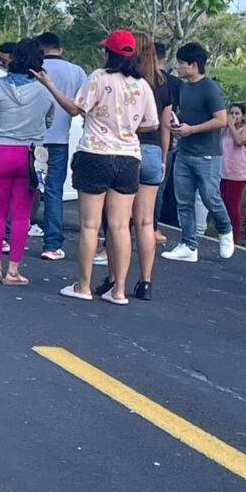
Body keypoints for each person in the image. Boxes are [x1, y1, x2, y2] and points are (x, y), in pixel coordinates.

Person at [33, 30, 158, 305]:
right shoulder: (142, 85)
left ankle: (84, 285)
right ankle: (120, 291)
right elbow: (152, 124)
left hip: (95, 153)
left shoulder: (99, 78)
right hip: (128, 158)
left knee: (90, 226)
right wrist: (128, 127)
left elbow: (74, 109)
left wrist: (49, 85)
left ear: (108, 53)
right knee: (120, 227)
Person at [95, 32, 173, 301]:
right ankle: (146, 282)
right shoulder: (164, 83)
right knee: (145, 222)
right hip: (152, 153)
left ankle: (115, 278)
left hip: (127, 150)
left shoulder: (127, 81)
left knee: (117, 222)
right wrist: (163, 157)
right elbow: (165, 126)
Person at [0, 38, 54, 286]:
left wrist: (3, 131)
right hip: (31, 154)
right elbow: (50, 120)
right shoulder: (45, 89)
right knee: (22, 215)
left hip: (0, 150)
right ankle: (14, 272)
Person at [161, 43, 235, 263]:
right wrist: (178, 123)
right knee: (182, 200)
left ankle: (225, 229)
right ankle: (188, 244)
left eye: (181, 63)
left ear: (193, 65)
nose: (178, 66)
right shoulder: (184, 88)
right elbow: (187, 113)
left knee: (209, 196)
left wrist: (192, 129)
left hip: (207, 154)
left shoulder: (210, 88)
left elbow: (221, 120)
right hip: (184, 151)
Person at [36, 31, 87, 261]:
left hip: (32, 139)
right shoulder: (76, 71)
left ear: (40, 48)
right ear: (60, 49)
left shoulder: (33, 67)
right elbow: (83, 106)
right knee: (54, 191)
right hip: (59, 140)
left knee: (25, 189)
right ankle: (51, 244)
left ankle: (7, 237)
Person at [153, 41, 182, 242]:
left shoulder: (144, 79)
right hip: (167, 140)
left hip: (141, 139)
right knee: (159, 186)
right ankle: (152, 227)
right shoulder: (177, 84)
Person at [220, 102, 246, 244]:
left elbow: (239, 141)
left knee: (233, 203)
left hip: (238, 172)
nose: (234, 116)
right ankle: (225, 231)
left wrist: (232, 126)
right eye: (231, 113)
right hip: (224, 170)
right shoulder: (224, 130)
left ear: (242, 115)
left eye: (237, 113)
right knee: (223, 202)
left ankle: (235, 236)